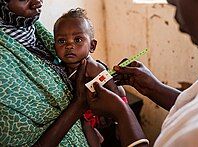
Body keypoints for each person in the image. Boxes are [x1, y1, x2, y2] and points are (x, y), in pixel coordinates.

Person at [75, 0, 198, 146]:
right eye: (61, 40)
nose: (170, 2)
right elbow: (196, 102)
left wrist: (122, 114)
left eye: (177, 1)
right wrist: (155, 88)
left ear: (92, 45)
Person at [0, 0, 121, 146]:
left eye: (77, 40)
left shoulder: (32, 29)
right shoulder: (4, 62)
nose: (37, 3)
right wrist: (80, 103)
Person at [53, 8, 126, 146]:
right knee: (85, 125)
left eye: (78, 39)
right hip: (83, 112)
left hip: (104, 108)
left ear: (92, 46)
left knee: (87, 126)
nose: (69, 45)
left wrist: (120, 123)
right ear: (54, 46)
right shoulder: (59, 69)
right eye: (62, 41)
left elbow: (115, 91)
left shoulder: (94, 68)